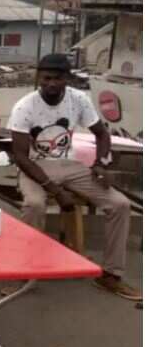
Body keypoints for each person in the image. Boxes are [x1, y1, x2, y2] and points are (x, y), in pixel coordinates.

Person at [7, 53, 140, 301]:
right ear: (39, 78)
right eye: (46, 78)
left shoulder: (78, 100)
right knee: (34, 205)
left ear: (67, 78)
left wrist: (101, 164)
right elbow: (21, 157)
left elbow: (102, 134)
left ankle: (111, 275)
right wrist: (55, 191)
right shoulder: (25, 107)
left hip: (70, 165)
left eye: (58, 78)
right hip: (35, 166)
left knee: (120, 205)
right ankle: (24, 274)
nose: (51, 84)